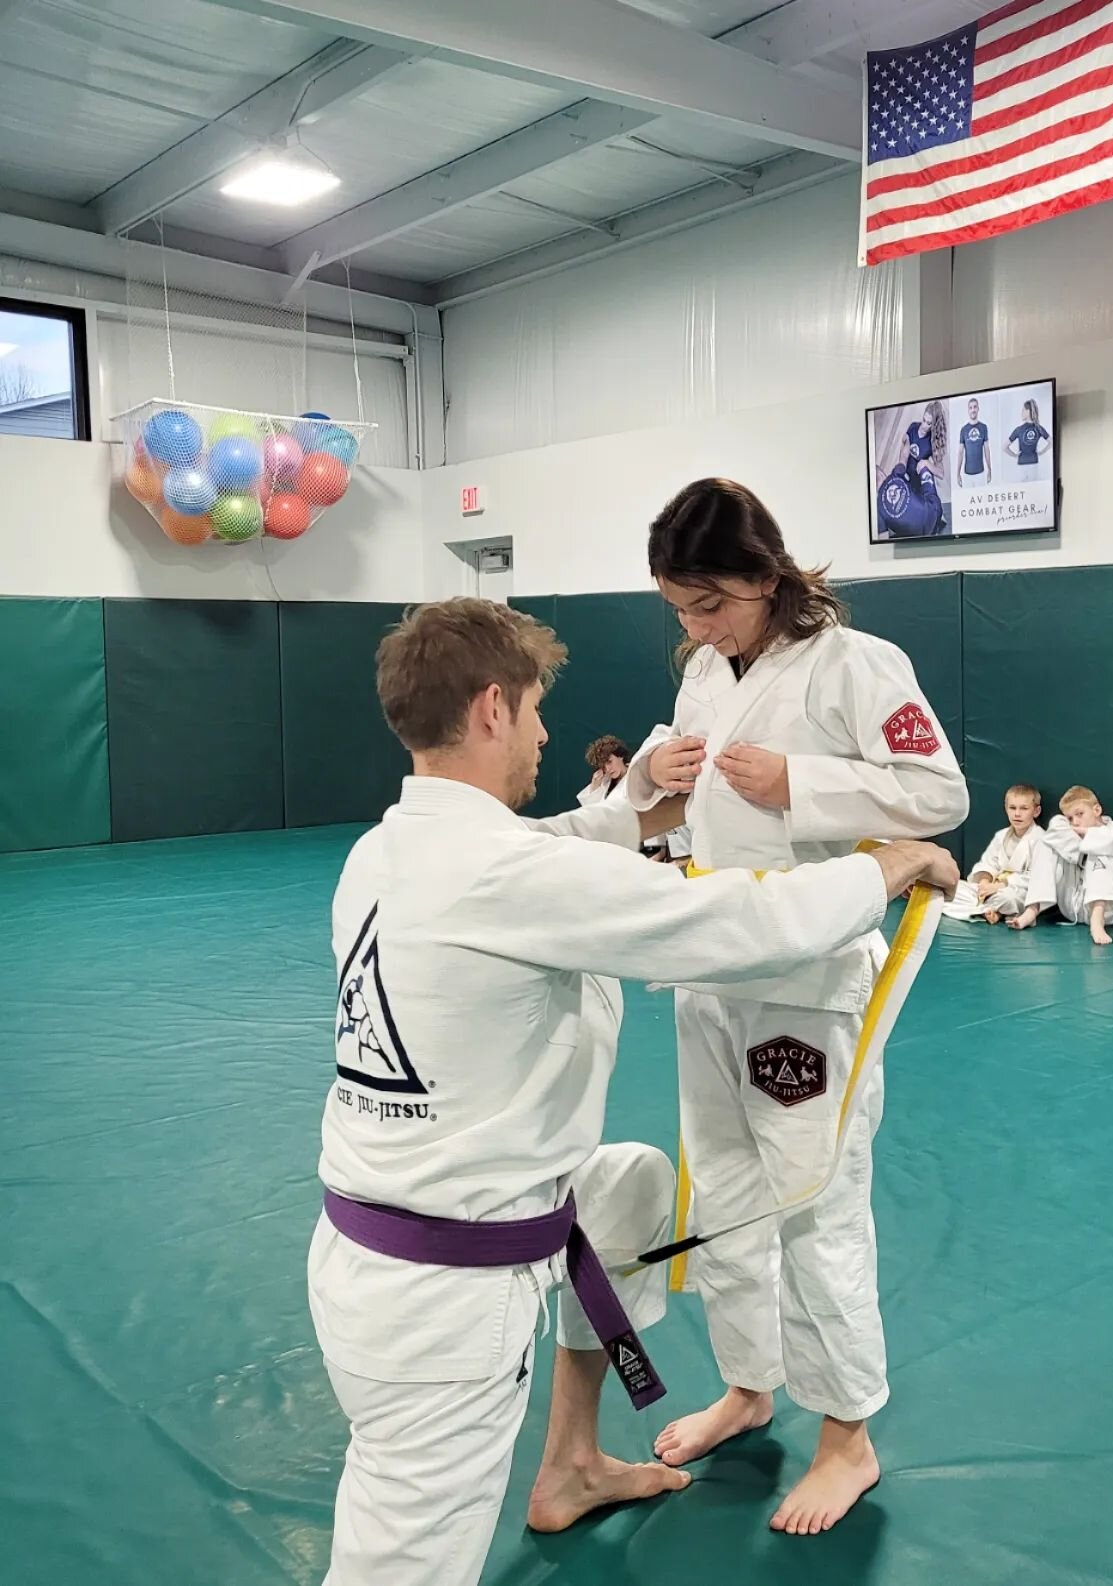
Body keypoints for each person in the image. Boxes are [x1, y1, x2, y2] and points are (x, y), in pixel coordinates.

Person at [310, 597, 959, 1586]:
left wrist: (638, 798)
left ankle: (570, 1459)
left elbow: (557, 846)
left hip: (388, 1241)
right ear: (490, 708)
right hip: (443, 1307)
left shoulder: (387, 849)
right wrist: (887, 866)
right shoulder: (507, 876)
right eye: (531, 709)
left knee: (628, 1188)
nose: (543, 731)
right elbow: (737, 923)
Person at [626, 479, 969, 1536]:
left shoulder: (859, 665)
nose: (695, 626)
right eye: (679, 607)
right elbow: (677, 807)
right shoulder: (697, 672)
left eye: (712, 603)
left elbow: (941, 792)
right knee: (721, 1188)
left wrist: (806, 784)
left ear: (767, 577)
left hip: (807, 984)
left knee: (814, 1199)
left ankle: (846, 1432)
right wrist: (654, 774)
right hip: (713, 960)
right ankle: (748, 1382)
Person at [1009, 785, 1113, 946]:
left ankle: (1097, 923)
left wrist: (1086, 837)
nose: (1075, 822)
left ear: (1097, 810)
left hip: (1110, 910)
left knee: (1101, 850)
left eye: (1080, 814)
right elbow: (1055, 831)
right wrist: (1080, 845)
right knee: (1045, 843)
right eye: (1070, 818)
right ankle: (1032, 910)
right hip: (1073, 907)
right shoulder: (1063, 826)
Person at [944, 784, 1043, 923]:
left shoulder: (1041, 840)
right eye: (1012, 808)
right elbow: (988, 863)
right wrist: (985, 884)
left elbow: (1035, 879)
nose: (1017, 814)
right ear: (1006, 809)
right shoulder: (1001, 836)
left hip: (1015, 891)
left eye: (1024, 808)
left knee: (1008, 899)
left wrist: (998, 886)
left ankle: (990, 910)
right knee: (952, 889)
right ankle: (990, 911)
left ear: (1036, 811)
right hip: (991, 888)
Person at [876, 455, 946, 539]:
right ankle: (938, 463)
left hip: (919, 538)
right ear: (882, 474)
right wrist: (905, 442)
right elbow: (903, 456)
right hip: (935, 509)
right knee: (923, 465)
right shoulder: (895, 474)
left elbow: (883, 538)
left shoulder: (878, 509)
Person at [576, 734, 630, 806]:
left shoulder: (637, 775)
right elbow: (592, 811)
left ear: (620, 756)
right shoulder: (604, 783)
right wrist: (594, 788)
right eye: (603, 766)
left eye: (609, 762)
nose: (608, 769)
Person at [1005, 399, 1051, 481]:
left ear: (1028, 411)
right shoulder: (1039, 428)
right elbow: (1051, 442)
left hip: (1021, 464)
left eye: (1023, 410)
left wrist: (1015, 455)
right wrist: (1041, 452)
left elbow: (1004, 447)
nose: (1021, 413)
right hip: (1033, 463)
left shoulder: (1019, 429)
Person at [956, 397, 991, 488]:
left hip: (981, 473)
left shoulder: (983, 427)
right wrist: (957, 474)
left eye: (975, 407)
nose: (973, 410)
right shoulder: (963, 430)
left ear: (978, 409)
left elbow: (987, 449)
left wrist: (989, 469)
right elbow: (960, 452)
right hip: (967, 474)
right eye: (970, 408)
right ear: (968, 410)